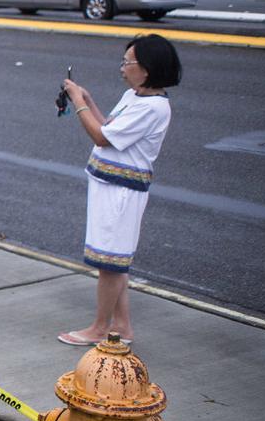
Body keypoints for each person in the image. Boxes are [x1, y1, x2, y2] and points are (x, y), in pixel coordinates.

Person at [56, 34, 182, 346]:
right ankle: (122, 326)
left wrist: (79, 102)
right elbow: (109, 128)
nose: (123, 69)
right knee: (113, 259)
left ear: (148, 69)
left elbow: (100, 137)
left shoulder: (153, 107)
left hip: (122, 192)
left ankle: (100, 328)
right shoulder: (135, 97)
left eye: (128, 63)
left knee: (110, 263)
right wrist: (88, 100)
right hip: (108, 184)